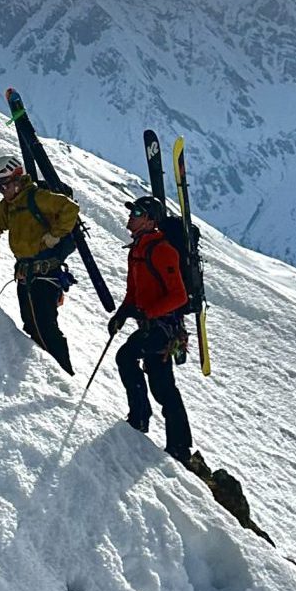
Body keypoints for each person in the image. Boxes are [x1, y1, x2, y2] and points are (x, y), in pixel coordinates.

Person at [0, 155, 80, 373]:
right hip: (25, 274)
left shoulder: (38, 197)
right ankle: (48, 372)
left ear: (18, 179)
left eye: (4, 185)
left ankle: (64, 374)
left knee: (46, 328)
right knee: (31, 326)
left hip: (46, 274)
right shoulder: (7, 206)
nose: (2, 191)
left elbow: (70, 208)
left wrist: (56, 235)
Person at [108, 196, 193, 462]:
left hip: (164, 328)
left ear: (150, 220)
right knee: (162, 385)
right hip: (154, 326)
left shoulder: (162, 250)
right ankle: (178, 446)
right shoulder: (137, 250)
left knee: (127, 357)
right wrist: (122, 313)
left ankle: (140, 419)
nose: (130, 217)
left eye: (137, 213)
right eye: (132, 212)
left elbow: (179, 296)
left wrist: (148, 313)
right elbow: (133, 291)